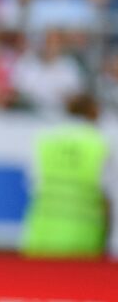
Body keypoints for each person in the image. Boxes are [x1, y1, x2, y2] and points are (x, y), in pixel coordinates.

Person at [20, 94, 110, 259]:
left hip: (42, 231)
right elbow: (106, 195)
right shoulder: (100, 142)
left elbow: (33, 185)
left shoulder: (44, 140)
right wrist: (106, 238)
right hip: (84, 233)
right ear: (93, 112)